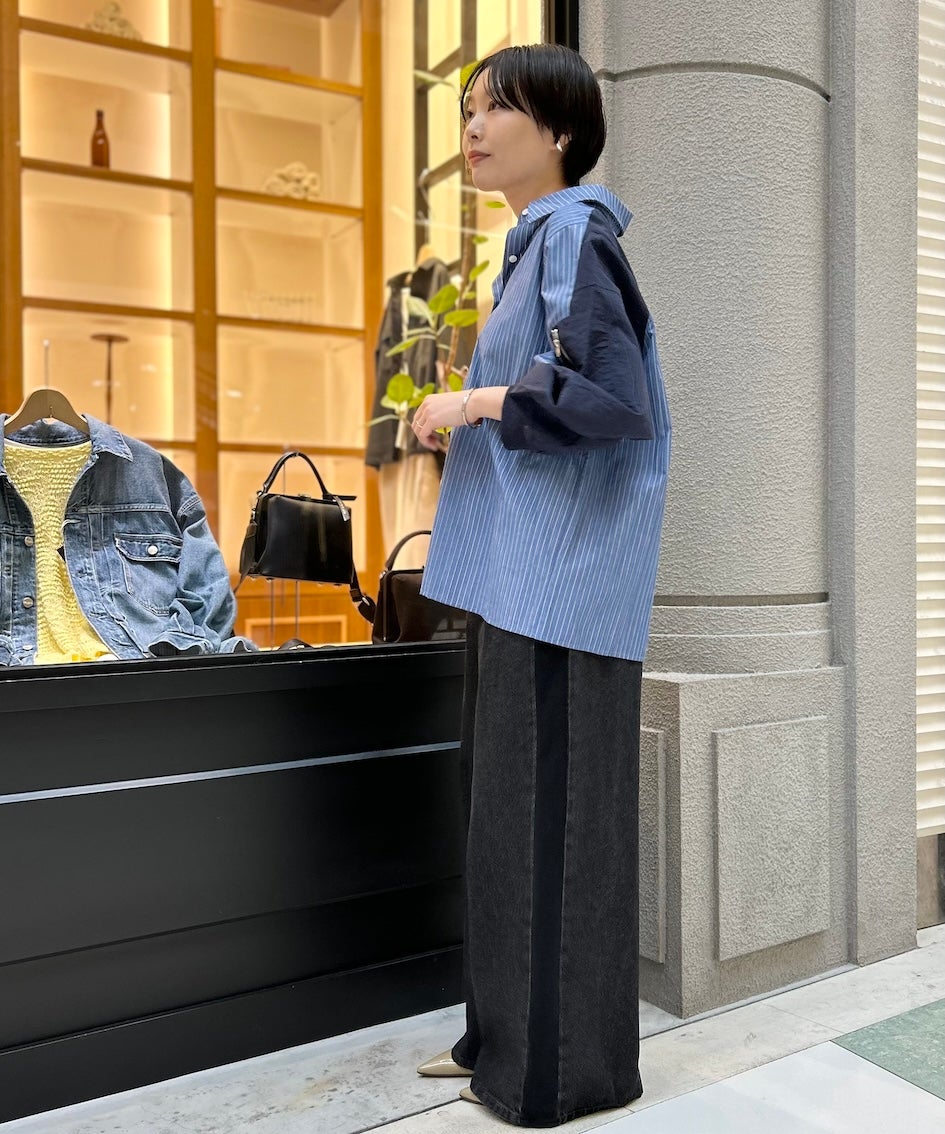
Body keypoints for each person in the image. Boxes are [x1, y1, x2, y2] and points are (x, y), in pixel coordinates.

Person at [410, 43, 671, 1129]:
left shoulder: (572, 234)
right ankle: (504, 1045)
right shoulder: (537, 245)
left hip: (558, 595)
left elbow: (611, 401)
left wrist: (471, 404)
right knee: (516, 826)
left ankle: (554, 1076)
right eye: (467, 109)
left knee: (548, 832)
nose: (473, 127)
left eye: (497, 108)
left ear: (559, 131)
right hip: (527, 585)